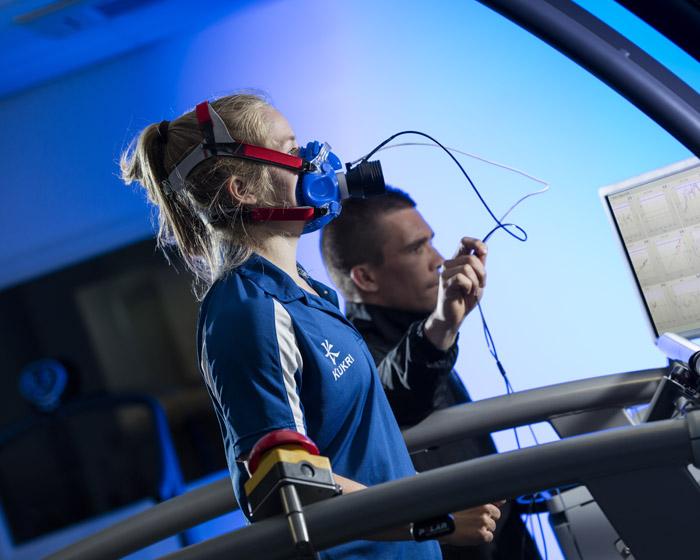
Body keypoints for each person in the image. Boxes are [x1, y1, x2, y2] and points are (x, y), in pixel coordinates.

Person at [119, 92, 502, 559]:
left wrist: (443, 324)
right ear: (244, 188)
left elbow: (361, 424)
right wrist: (433, 520)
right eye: (290, 148)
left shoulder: (305, 293)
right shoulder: (248, 311)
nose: (311, 160)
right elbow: (288, 486)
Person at [320, 188, 542, 560]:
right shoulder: (351, 360)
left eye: (432, 244)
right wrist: (440, 326)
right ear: (365, 278)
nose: (438, 261)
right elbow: (391, 395)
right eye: (415, 248)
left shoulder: (422, 331)